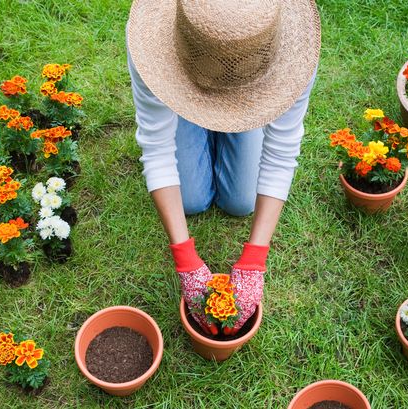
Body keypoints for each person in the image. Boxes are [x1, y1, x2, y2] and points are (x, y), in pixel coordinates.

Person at [126, 0, 321, 335]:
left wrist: (255, 260)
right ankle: (197, 116)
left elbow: (282, 153)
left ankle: (236, 117)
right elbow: (157, 149)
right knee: (192, 201)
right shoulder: (152, 51)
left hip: (249, 83)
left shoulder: (292, 55)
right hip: (184, 81)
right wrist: (185, 258)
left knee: (241, 201)